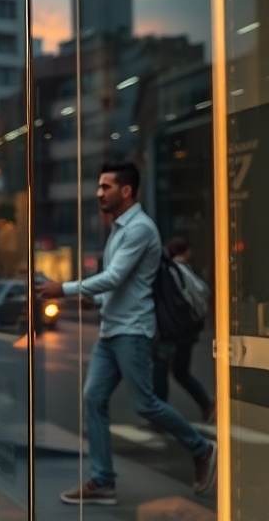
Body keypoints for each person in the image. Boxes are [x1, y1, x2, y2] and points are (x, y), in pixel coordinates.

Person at [37, 161, 216, 505]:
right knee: (93, 399)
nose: (98, 193)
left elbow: (116, 276)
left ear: (126, 191)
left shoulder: (139, 229)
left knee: (146, 404)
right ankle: (103, 481)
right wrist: (96, 301)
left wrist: (66, 288)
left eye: (106, 187)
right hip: (112, 330)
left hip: (133, 331)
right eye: (99, 186)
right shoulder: (119, 229)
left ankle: (201, 448)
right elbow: (121, 283)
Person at [152, 237, 214, 423]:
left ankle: (160, 417)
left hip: (171, 328)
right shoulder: (184, 270)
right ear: (185, 251)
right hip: (185, 327)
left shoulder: (170, 269)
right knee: (179, 371)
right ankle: (205, 403)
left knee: (161, 369)